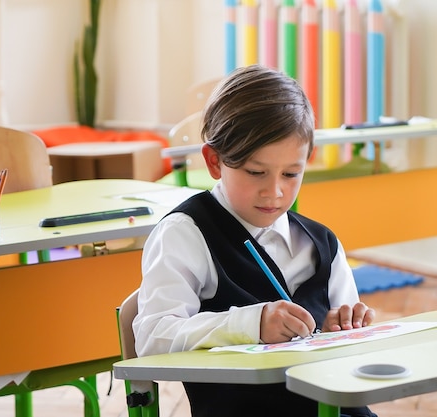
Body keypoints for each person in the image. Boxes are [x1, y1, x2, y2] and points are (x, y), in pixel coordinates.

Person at [133, 64, 377, 417]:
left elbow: (346, 358)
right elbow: (152, 338)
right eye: (255, 172)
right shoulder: (186, 233)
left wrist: (342, 329)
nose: (275, 191)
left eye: (291, 174)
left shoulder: (322, 243)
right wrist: (251, 324)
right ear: (214, 162)